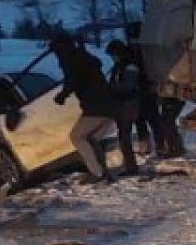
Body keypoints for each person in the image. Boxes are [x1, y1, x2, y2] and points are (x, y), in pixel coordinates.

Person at [48, 33, 118, 183]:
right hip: (108, 105)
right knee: (92, 139)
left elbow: (72, 80)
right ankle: (102, 172)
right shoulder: (82, 57)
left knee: (77, 137)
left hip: (96, 107)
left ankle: (97, 174)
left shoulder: (72, 61)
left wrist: (62, 96)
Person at [124, 21, 163, 155]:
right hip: (146, 90)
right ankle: (158, 145)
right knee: (151, 120)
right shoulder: (149, 50)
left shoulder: (133, 52)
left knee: (145, 121)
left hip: (142, 91)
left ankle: (150, 146)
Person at [105, 39, 141, 176]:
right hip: (124, 106)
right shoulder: (121, 66)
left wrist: (110, 88)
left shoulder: (129, 67)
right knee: (123, 138)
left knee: (124, 138)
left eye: (113, 55)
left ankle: (131, 168)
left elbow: (128, 87)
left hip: (128, 106)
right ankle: (130, 166)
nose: (112, 58)